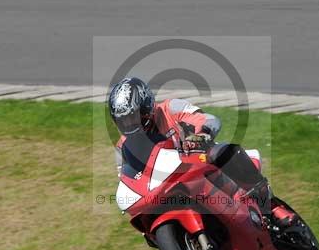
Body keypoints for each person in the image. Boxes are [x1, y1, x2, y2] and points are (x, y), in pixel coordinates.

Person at [107, 77, 296, 229]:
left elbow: (207, 119)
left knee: (225, 153)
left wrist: (202, 134)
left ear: (146, 107)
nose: (130, 124)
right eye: (124, 120)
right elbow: (127, 178)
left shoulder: (170, 108)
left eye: (134, 117)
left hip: (200, 162)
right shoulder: (123, 146)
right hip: (167, 185)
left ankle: (272, 207)